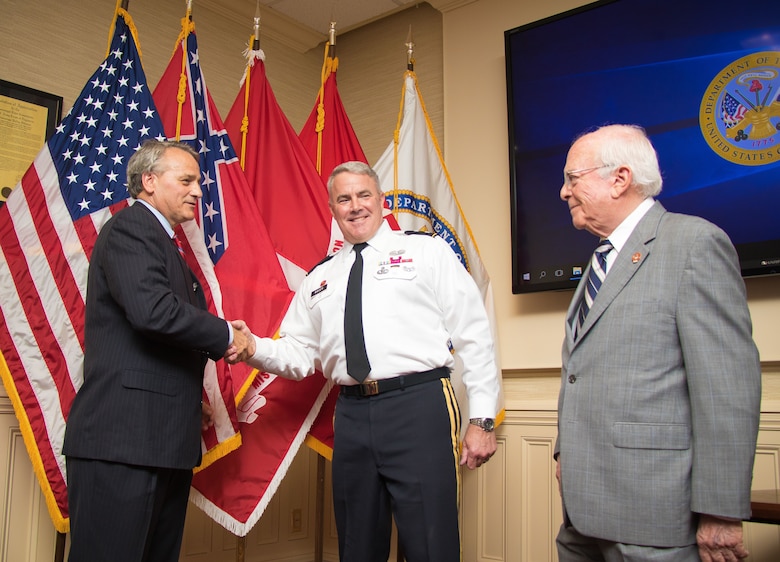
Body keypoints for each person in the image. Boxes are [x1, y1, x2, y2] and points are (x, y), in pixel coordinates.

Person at [230, 161, 501, 562]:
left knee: (430, 542)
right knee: (357, 544)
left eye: (363, 195)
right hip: (353, 414)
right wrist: (254, 348)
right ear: (332, 208)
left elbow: (475, 334)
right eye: (344, 198)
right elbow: (301, 354)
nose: (355, 206)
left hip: (420, 404)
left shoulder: (425, 250)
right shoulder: (319, 278)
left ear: (381, 200)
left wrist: (481, 419)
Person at [554, 124, 761, 562]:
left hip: (653, 518)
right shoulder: (600, 259)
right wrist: (563, 452)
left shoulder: (693, 244)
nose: (563, 192)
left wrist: (720, 512)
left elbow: (726, 389)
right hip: (582, 513)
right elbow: (582, 369)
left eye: (573, 179)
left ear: (620, 179)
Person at [63, 140, 251, 562]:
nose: (199, 191)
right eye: (186, 180)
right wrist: (225, 334)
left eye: (199, 181)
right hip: (122, 443)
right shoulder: (132, 228)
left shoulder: (162, 239)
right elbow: (154, 312)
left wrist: (186, 399)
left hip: (159, 438)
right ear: (149, 181)